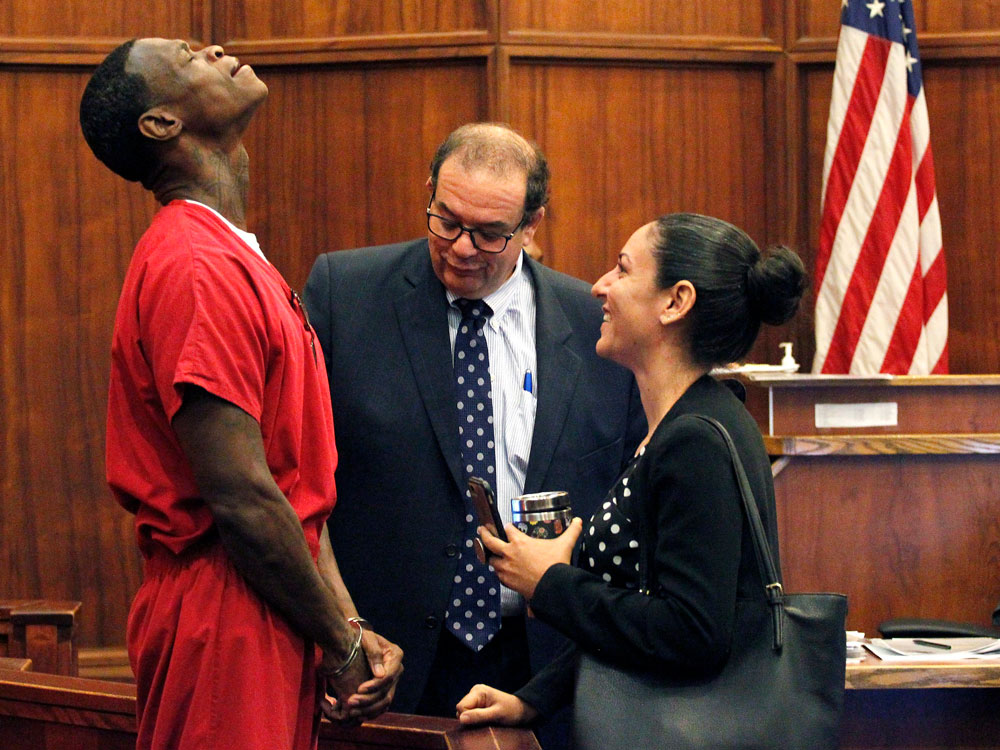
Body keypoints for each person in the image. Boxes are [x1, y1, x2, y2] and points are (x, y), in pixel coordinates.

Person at [78, 38, 402, 750]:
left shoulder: (227, 253)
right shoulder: (196, 264)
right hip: (224, 612)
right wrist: (340, 648)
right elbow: (243, 501)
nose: (216, 49)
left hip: (262, 603)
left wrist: (346, 628)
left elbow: (288, 491)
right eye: (189, 57)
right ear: (162, 124)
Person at [303, 123, 646, 728]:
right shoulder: (345, 294)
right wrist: (342, 638)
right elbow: (301, 478)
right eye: (446, 220)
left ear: (533, 223)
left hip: (550, 663)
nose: (462, 248)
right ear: (430, 192)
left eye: (490, 234)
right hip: (385, 663)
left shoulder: (596, 325)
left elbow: (628, 495)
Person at [454, 213, 807, 734]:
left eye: (622, 270)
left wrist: (549, 582)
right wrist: (532, 700)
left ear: (675, 301)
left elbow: (691, 632)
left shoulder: (696, 440)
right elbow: (637, 607)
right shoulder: (677, 426)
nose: (600, 287)